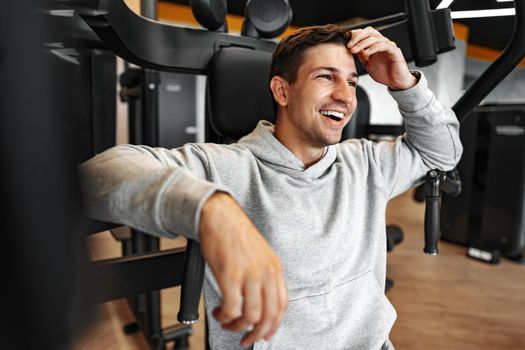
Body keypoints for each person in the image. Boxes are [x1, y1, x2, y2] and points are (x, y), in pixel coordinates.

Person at [80, 24, 462, 349]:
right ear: (281, 91)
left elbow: (444, 153)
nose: (346, 97)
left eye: (351, 81)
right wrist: (209, 209)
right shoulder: (224, 166)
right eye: (326, 77)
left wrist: (404, 84)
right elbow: (97, 174)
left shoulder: (367, 163)